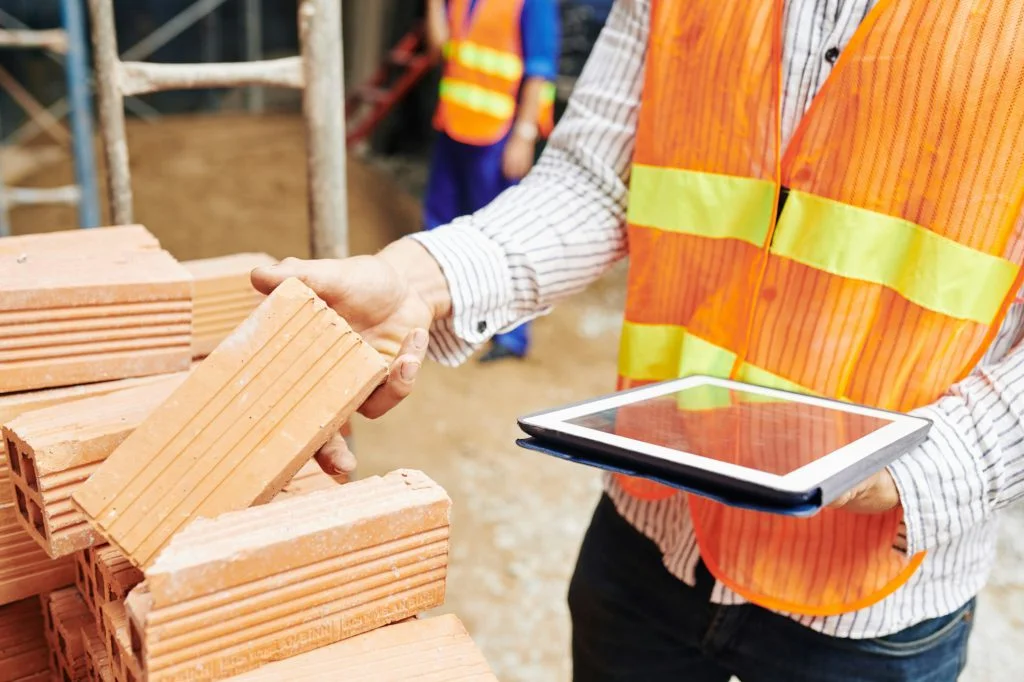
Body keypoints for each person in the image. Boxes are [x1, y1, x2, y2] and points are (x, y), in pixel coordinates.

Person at [252, 1, 1024, 679]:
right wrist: (419, 281)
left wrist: (925, 469)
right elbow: (598, 178)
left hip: (871, 595)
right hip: (653, 523)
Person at [422, 0, 559, 362]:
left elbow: (540, 71)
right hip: (455, 124)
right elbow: (441, 49)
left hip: (497, 136)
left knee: (504, 237)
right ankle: (448, 317)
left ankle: (512, 338)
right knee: (442, 223)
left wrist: (524, 136)